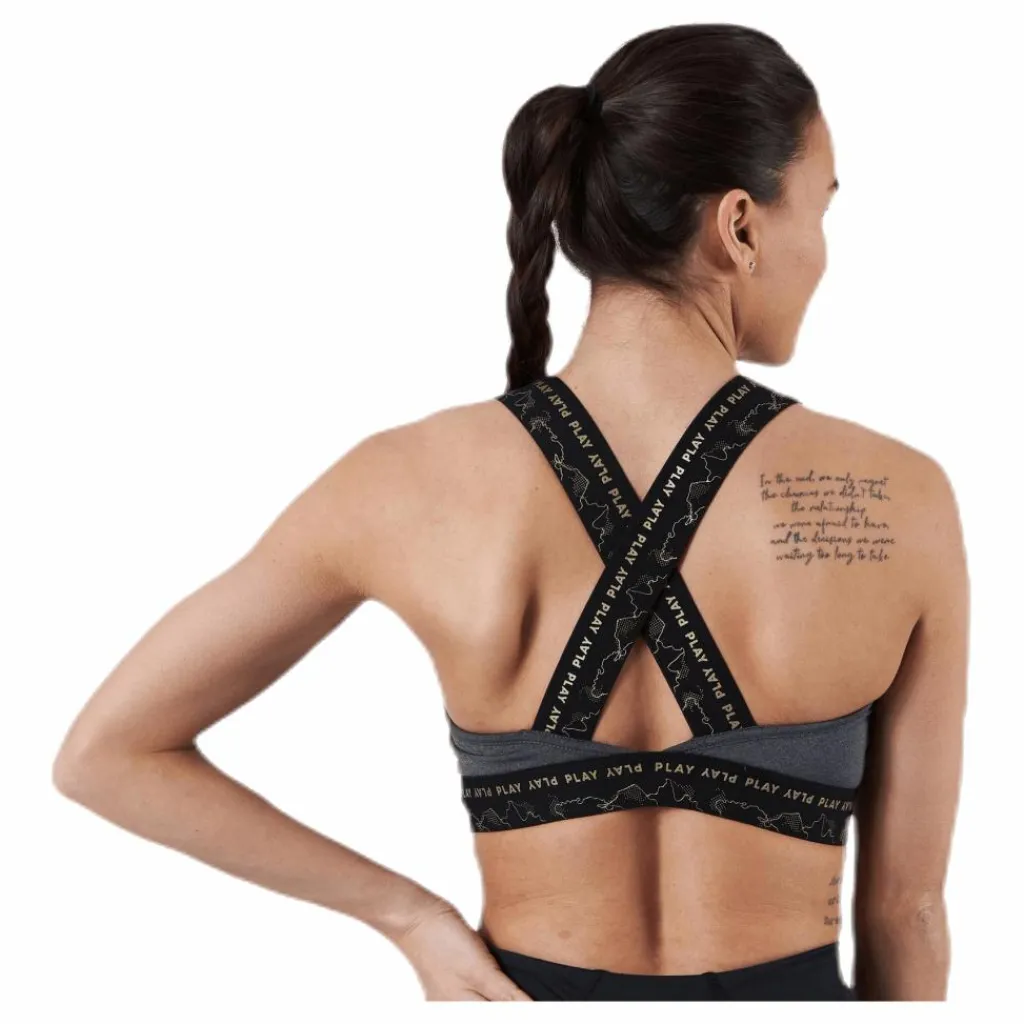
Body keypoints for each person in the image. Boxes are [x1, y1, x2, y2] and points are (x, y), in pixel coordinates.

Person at [52, 22, 967, 1002]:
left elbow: (108, 754)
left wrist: (408, 916)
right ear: (739, 225)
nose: (822, 251)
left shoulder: (403, 481)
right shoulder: (898, 498)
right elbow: (906, 911)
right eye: (821, 208)